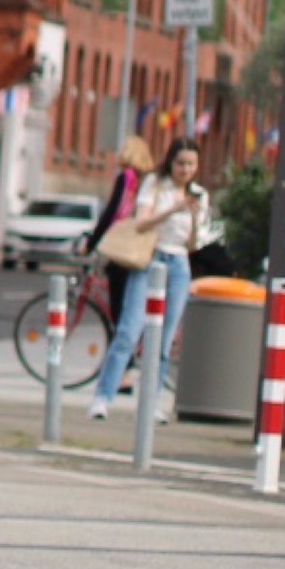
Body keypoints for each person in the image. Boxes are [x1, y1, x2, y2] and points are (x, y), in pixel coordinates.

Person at [89, 139, 205, 422]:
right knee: (129, 329)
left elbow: (192, 245)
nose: (185, 170)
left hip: (178, 263)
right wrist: (172, 210)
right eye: (181, 163)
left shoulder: (199, 194)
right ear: (170, 162)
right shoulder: (155, 183)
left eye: (191, 164)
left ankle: (150, 402)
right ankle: (102, 397)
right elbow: (141, 223)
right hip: (150, 257)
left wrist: (192, 218)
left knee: (164, 340)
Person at [85, 135, 158, 326]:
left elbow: (112, 212)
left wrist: (91, 243)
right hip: (141, 247)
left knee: (118, 304)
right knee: (132, 301)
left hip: (123, 246)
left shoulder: (125, 177)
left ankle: (121, 348)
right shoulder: (145, 181)